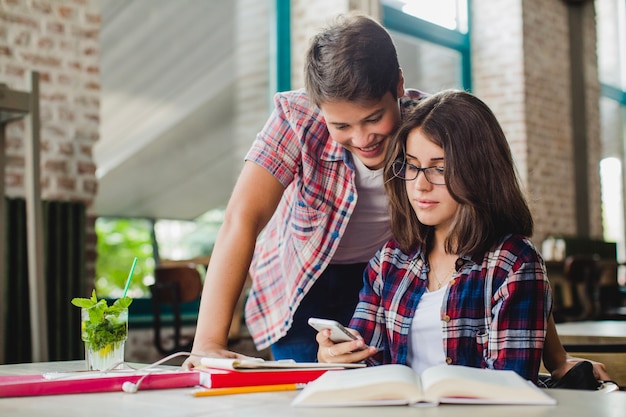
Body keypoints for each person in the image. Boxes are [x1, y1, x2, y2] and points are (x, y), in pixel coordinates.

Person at [182, 12, 610, 383]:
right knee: (312, 394)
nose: (362, 138)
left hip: (383, 281)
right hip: (302, 286)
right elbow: (242, 220)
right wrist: (208, 343)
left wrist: (556, 360)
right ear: (319, 109)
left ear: (399, 87)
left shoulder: (428, 130)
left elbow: (513, 261)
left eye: (373, 118)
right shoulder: (296, 120)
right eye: (341, 126)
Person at [316, 89, 550, 382]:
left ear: (478, 171)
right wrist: (334, 357)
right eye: (412, 166)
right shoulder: (389, 261)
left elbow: (511, 385)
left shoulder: (513, 264)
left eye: (439, 169)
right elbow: (364, 369)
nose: (420, 186)